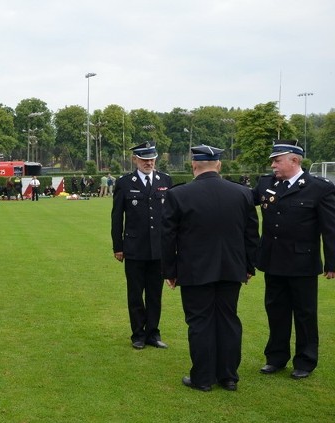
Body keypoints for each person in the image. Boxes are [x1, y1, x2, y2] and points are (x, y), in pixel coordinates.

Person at [162, 144, 259, 392]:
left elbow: (167, 238)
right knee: (228, 320)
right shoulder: (242, 193)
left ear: (194, 165)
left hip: (195, 271)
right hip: (232, 269)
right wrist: (249, 266)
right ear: (219, 165)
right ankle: (228, 376)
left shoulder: (179, 195)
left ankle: (203, 378)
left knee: (200, 322)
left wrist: (170, 272)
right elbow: (251, 235)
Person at [253, 139, 335, 379]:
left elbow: (330, 228)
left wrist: (332, 262)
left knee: (304, 314)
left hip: (302, 263)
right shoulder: (267, 183)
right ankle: (276, 358)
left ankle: (305, 361)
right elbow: (244, 201)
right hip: (273, 261)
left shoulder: (319, 187)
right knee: (276, 311)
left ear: (295, 160)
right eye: (273, 161)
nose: (273, 166)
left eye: (277, 161)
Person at [111, 141, 172, 350]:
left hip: (158, 249)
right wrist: (117, 246)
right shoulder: (125, 183)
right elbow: (117, 217)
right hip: (135, 248)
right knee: (135, 294)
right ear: (135, 160)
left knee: (155, 294)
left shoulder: (165, 180)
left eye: (152, 159)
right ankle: (138, 334)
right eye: (145, 159)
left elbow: (171, 217)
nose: (149, 162)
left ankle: (153, 333)